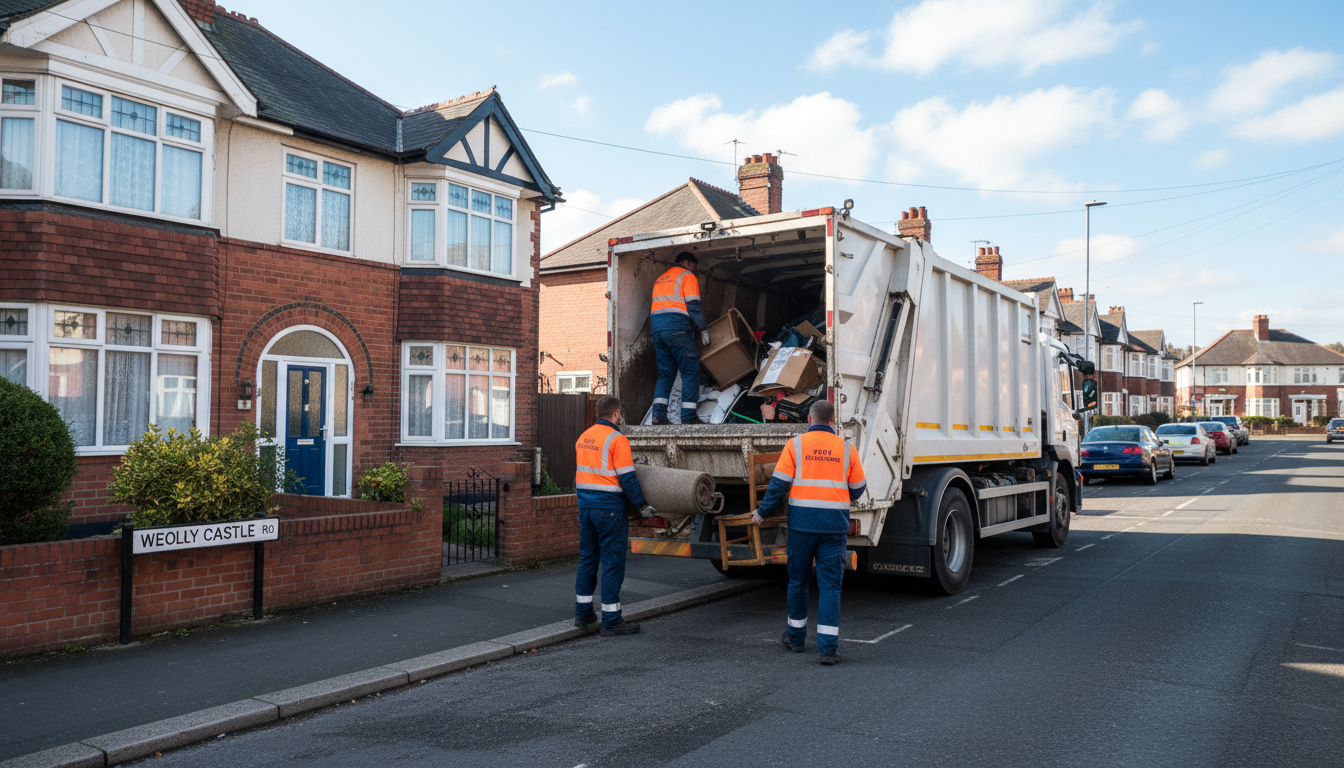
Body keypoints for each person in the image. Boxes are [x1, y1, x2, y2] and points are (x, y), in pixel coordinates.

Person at [752, 400, 866, 665]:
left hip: (802, 526)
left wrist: (762, 513)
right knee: (830, 587)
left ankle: (795, 638)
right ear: (832, 421)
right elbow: (858, 489)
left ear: (810, 419)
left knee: (798, 581)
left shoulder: (796, 445)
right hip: (833, 528)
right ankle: (828, 649)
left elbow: (778, 486)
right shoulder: (847, 449)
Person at [574, 395, 656, 636]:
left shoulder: (583, 437)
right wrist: (642, 506)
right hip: (609, 510)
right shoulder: (617, 439)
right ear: (616, 414)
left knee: (587, 559)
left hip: (586, 508)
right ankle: (611, 619)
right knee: (612, 563)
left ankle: (583, 614)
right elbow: (627, 478)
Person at [650, 252, 710, 425]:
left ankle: (658, 415)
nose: (694, 270)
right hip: (676, 328)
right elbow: (694, 305)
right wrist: (703, 329)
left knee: (666, 373)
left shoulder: (660, 278)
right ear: (687, 263)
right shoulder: (687, 276)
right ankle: (689, 416)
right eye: (694, 266)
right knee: (690, 370)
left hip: (657, 331)